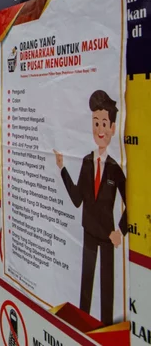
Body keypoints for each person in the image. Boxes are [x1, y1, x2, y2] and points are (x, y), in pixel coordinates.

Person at [53, 90, 127, 326]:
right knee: (85, 286)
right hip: (88, 233)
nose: (100, 129)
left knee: (107, 292)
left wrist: (121, 231)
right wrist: (62, 168)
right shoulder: (85, 161)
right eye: (96, 123)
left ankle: (106, 333)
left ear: (113, 127)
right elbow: (77, 198)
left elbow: (130, 203)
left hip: (106, 236)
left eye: (104, 123)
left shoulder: (115, 168)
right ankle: (81, 331)